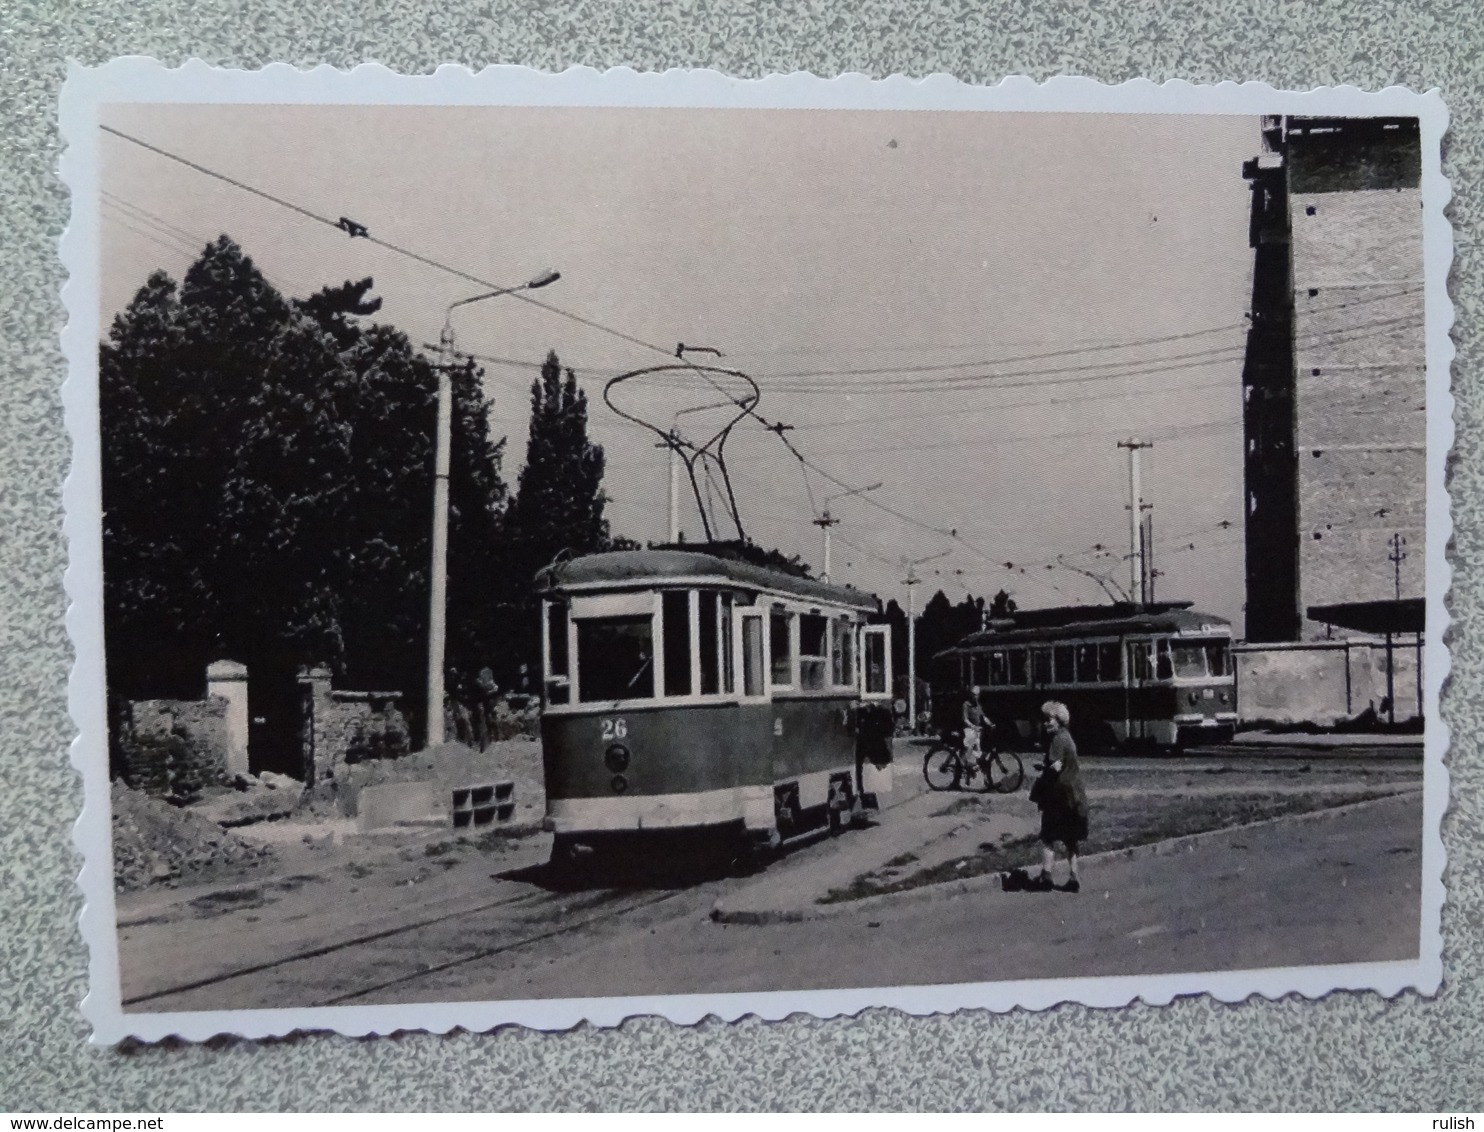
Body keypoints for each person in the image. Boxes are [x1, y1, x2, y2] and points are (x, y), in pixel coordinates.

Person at [1029, 700, 1089, 893]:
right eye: (1044, 719)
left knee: (1048, 835)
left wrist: (1042, 773)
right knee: (1071, 838)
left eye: (1049, 719)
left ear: (1059, 721)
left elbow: (1055, 767)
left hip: (1059, 796)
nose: (1046, 723)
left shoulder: (1057, 739)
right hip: (1075, 795)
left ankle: (1046, 876)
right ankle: (1074, 877)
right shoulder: (1068, 737)